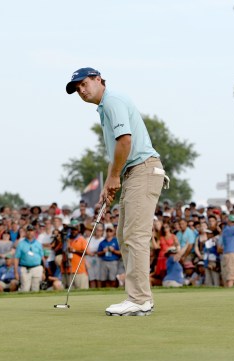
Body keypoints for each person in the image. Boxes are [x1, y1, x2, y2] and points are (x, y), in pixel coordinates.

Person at [66, 67, 167, 316]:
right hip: (133, 172)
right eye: (77, 88)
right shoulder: (104, 108)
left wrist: (113, 177)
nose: (81, 89)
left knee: (135, 236)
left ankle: (140, 299)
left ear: (98, 80)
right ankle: (137, 296)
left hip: (143, 169)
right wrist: (111, 182)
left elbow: (125, 141)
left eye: (84, 83)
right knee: (124, 235)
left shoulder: (113, 101)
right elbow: (118, 151)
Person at [13, 225, 44, 292]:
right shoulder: (21, 244)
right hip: (25, 268)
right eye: (28, 231)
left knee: (36, 288)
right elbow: (16, 258)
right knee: (24, 289)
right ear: (26, 232)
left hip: (37, 267)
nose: (30, 233)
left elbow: (42, 257)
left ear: (34, 232)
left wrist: (44, 271)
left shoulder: (38, 244)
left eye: (31, 231)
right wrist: (16, 272)